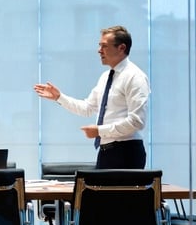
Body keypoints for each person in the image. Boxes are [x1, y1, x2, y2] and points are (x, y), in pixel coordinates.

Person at [34, 25, 150, 169]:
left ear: (121, 48)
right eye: (99, 45)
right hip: (106, 151)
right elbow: (87, 108)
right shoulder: (106, 77)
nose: (99, 50)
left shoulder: (135, 77)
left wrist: (100, 131)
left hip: (127, 151)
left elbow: (137, 122)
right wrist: (59, 97)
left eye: (104, 46)